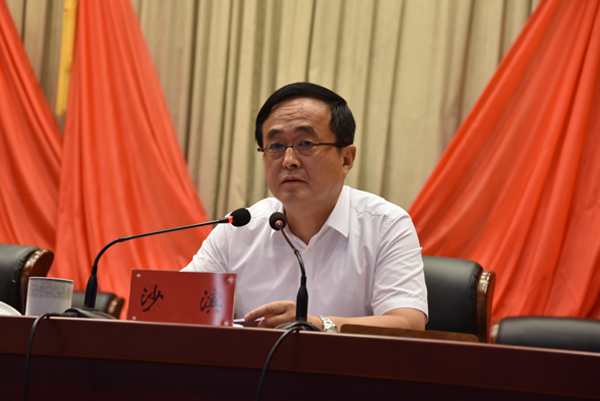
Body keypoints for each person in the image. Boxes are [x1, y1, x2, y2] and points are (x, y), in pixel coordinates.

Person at [182, 82, 427, 332]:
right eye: (276, 146)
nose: (289, 161)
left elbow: (408, 323)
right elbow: (179, 306)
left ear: (346, 159)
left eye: (306, 144)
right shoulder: (238, 229)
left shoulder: (386, 225)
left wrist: (317, 325)